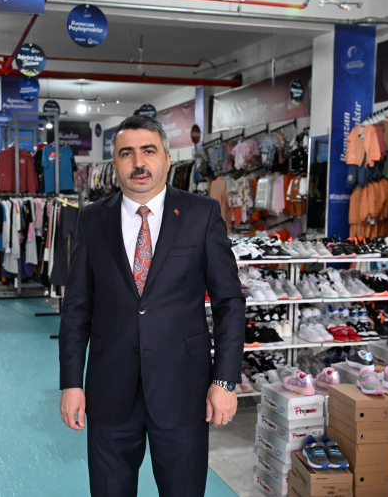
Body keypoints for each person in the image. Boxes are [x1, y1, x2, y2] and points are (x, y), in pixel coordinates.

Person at [58, 115, 246, 497]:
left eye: (149, 151)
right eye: (127, 153)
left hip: (184, 391)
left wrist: (224, 380)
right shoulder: (92, 219)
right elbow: (76, 308)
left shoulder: (201, 213)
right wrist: (71, 383)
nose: (138, 163)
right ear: (115, 163)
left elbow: (229, 302)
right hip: (110, 391)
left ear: (167, 158)